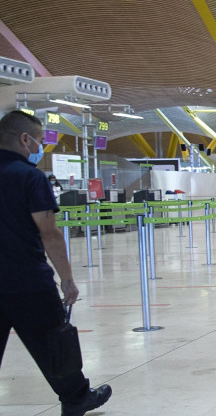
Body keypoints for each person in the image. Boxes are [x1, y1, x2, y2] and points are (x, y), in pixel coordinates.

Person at [0, 111, 111, 415]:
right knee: (53, 342)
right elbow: (48, 232)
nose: (40, 147)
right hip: (27, 281)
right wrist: (67, 279)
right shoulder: (30, 177)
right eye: (39, 140)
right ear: (25, 139)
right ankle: (77, 398)